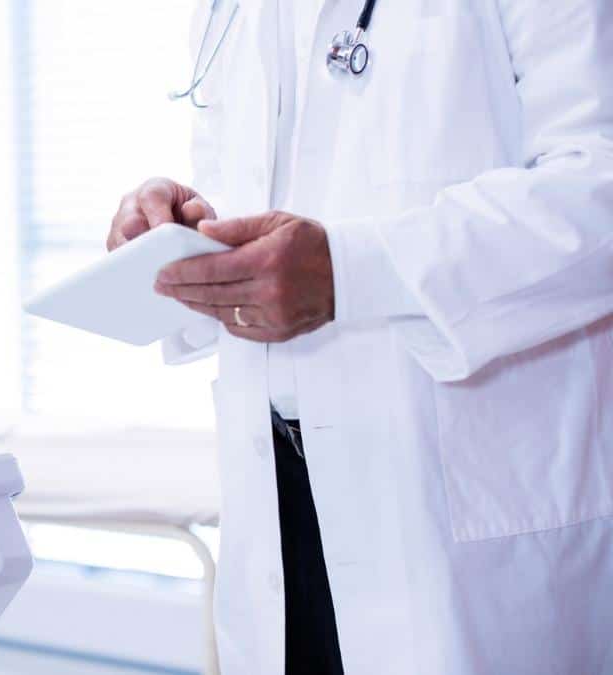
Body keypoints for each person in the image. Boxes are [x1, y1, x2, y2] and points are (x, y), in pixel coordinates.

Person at [109, 2, 612, 674]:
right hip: (278, 506)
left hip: (458, 520)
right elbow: (258, 201)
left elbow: (597, 188)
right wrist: (180, 239)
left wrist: (352, 273)